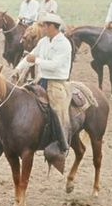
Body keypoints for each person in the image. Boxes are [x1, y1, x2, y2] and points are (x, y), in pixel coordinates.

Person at [14, 13, 73, 152]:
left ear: (52, 27)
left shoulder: (64, 44)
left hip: (57, 83)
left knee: (58, 110)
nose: (43, 28)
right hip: (41, 80)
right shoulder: (43, 41)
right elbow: (30, 56)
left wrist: (36, 61)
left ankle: (62, 145)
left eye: (44, 26)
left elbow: (55, 65)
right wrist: (17, 69)